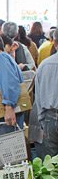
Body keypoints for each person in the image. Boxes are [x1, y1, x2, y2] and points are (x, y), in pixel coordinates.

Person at [32, 28, 58, 158]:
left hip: (50, 118)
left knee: (51, 166)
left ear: (55, 43)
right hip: (49, 117)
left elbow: (39, 97)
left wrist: (42, 119)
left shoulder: (45, 65)